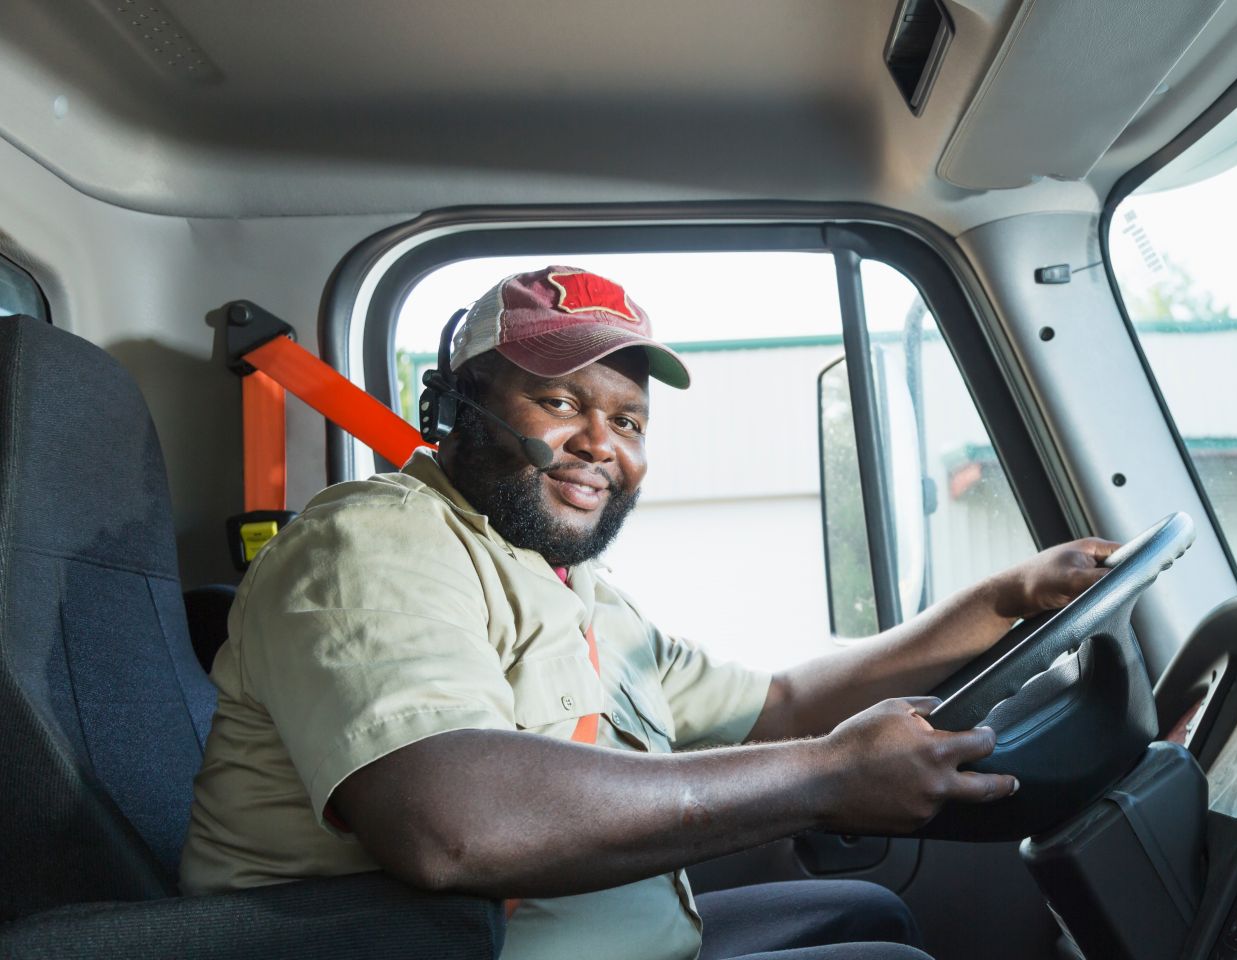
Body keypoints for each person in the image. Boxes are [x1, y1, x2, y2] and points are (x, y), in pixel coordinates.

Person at [180, 266, 1119, 960]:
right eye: (559, 400)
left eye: (628, 421)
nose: (601, 444)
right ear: (453, 410)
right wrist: (828, 778)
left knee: (872, 924)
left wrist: (1004, 600)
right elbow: (450, 820)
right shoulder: (376, 544)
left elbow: (782, 703)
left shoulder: (570, 587)